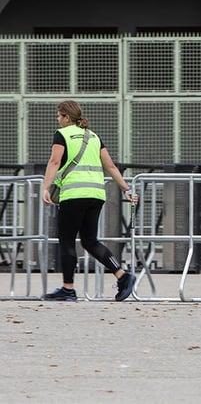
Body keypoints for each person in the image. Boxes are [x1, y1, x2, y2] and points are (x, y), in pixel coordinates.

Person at [41, 100, 138, 302]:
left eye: (59, 116)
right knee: (90, 241)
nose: (58, 120)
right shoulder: (93, 136)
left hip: (73, 194)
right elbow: (110, 166)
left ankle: (68, 289)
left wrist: (45, 187)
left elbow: (55, 161)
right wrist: (126, 189)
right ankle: (122, 276)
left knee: (67, 241)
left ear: (67, 117)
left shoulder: (62, 135)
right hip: (96, 195)